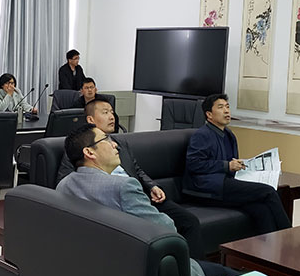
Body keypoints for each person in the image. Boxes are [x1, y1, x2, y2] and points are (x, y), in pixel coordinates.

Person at [56, 124, 238, 276]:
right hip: (143, 272)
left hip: (97, 270)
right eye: (106, 140)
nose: (115, 145)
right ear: (89, 152)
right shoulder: (123, 186)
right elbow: (167, 229)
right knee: (229, 275)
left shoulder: (64, 185)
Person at [57, 98, 204, 259]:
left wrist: (152, 186)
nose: (112, 117)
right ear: (91, 119)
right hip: (114, 200)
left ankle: (191, 264)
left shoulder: (120, 143)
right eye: (105, 113)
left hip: (139, 194)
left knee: (189, 221)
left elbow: (136, 169)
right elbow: (68, 183)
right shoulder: (77, 149)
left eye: (112, 112)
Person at [183, 94, 290, 235]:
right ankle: (289, 237)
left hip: (225, 183)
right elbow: (194, 164)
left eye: (227, 107)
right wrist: (227, 166)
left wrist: (240, 165)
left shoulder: (229, 135)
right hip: (205, 188)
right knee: (268, 192)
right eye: (220, 107)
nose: (226, 111)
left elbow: (230, 162)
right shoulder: (201, 135)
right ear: (209, 114)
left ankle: (270, 246)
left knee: (261, 209)